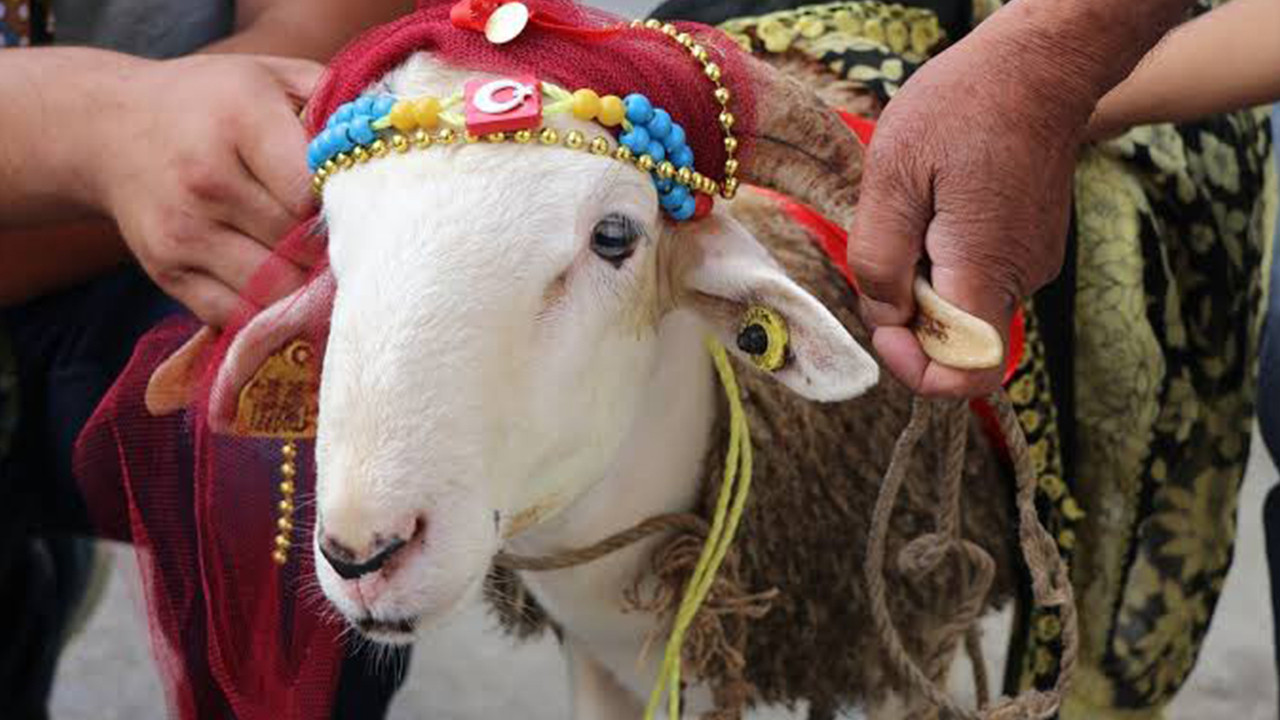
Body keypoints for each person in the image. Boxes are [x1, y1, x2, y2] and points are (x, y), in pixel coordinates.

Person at [0, 1, 415, 718]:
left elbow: (332, 38)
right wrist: (92, 125)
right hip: (120, 182)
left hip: (118, 267)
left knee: (306, 442)